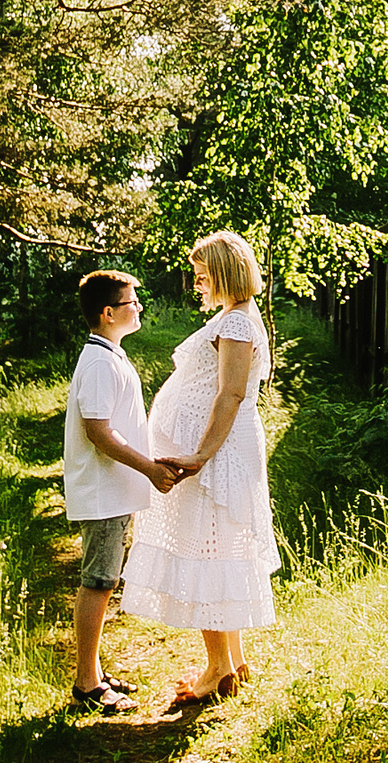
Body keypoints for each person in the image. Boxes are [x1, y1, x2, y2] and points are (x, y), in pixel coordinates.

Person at [118, 230, 278, 705]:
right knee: (220, 549)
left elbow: (230, 394)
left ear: (224, 271)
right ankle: (234, 663)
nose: (197, 281)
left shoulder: (236, 324)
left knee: (210, 552)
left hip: (218, 454)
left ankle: (217, 669)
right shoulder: (237, 317)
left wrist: (199, 454)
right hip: (220, 450)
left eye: (202, 273)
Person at [62, 268, 177, 714]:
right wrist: (148, 468)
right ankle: (87, 685)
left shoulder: (110, 355)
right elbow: (99, 433)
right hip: (101, 492)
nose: (140, 307)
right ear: (108, 313)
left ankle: (93, 671)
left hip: (113, 491)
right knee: (99, 582)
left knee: (104, 580)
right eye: (132, 303)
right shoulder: (98, 363)